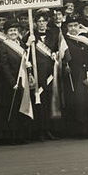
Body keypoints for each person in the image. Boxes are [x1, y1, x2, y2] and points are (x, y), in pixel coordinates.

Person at [61, 15, 88, 139]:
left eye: (75, 25)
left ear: (79, 26)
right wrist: (64, 66)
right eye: (70, 26)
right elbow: (61, 57)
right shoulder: (64, 40)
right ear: (67, 27)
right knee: (78, 103)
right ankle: (80, 131)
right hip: (74, 76)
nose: (73, 28)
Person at [0, 16, 29, 144]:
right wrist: (12, 82)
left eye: (15, 30)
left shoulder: (21, 44)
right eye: (10, 31)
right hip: (9, 83)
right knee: (9, 108)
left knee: (18, 107)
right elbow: (4, 66)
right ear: (6, 33)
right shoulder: (3, 46)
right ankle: (10, 136)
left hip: (21, 79)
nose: (13, 33)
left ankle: (20, 135)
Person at [25, 10, 60, 141]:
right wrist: (28, 43)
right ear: (35, 23)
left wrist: (55, 54)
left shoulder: (53, 35)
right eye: (39, 21)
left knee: (49, 101)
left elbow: (58, 49)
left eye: (43, 21)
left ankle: (49, 129)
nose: (41, 24)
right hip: (37, 73)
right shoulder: (30, 35)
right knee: (38, 103)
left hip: (50, 74)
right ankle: (39, 130)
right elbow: (24, 54)